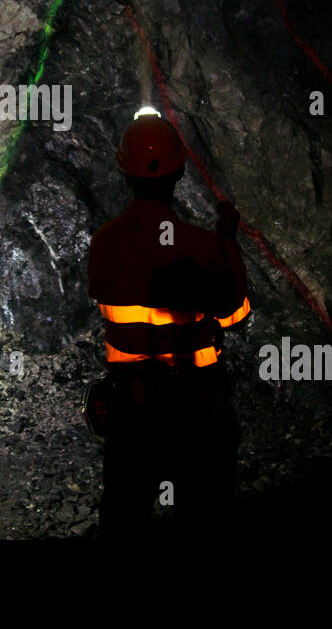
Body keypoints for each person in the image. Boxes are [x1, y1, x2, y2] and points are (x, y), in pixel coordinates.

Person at [87, 109, 251, 538]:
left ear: (124, 171)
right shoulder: (200, 245)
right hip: (194, 408)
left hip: (131, 410)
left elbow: (105, 296)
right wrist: (228, 243)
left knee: (124, 516)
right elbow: (236, 315)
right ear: (178, 173)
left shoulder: (104, 243)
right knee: (203, 514)